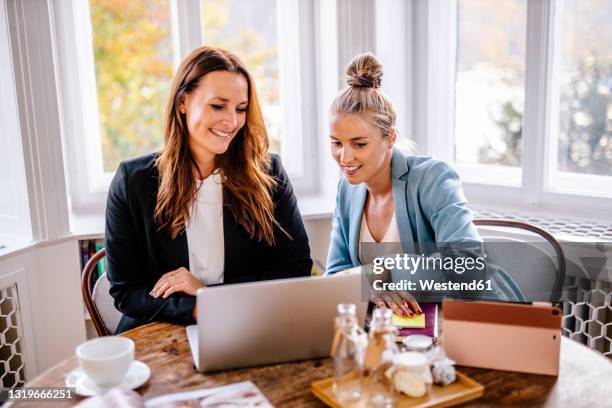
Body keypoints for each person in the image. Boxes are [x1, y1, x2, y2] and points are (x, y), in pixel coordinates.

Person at [105, 46, 313, 333]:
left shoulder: (269, 174)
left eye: (240, 109)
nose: (231, 121)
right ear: (183, 102)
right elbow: (126, 292)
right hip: (159, 329)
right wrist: (198, 307)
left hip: (246, 323)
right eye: (218, 106)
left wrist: (209, 294)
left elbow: (296, 269)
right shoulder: (133, 182)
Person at [325, 53, 523, 316]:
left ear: (390, 138)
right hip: (399, 327)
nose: (345, 157)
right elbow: (335, 275)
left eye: (359, 144)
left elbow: (467, 266)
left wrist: (382, 272)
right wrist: (371, 289)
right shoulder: (347, 190)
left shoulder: (433, 179)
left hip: (471, 319)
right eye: (337, 143)